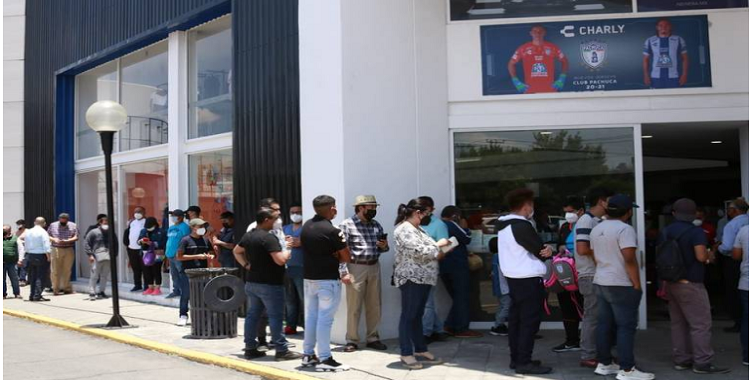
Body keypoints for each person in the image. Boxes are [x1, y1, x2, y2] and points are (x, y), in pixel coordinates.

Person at [659, 198, 729, 374]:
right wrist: (709, 255)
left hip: (672, 282)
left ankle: (682, 360)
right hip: (691, 284)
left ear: (674, 213)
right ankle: (702, 362)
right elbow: (700, 256)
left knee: (678, 323)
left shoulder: (666, 231)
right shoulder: (696, 231)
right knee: (700, 324)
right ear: (694, 214)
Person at [589, 194, 653, 380]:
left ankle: (605, 364)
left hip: (601, 280)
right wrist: (637, 284)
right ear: (627, 211)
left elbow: (594, 255)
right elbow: (629, 259)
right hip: (621, 283)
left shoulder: (597, 228)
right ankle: (627, 369)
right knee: (625, 327)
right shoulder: (625, 230)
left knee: (604, 325)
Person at [496, 188, 553, 374]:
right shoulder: (521, 226)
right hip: (528, 279)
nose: (532, 209)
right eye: (531, 205)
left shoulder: (503, 225)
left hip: (513, 277)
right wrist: (548, 251)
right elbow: (540, 250)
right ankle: (524, 362)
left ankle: (517, 359)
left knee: (516, 321)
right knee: (529, 322)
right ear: (526, 206)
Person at [233, 207, 302, 361]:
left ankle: (250, 348)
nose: (278, 221)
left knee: (252, 316)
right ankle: (281, 350)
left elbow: (237, 251)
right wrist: (288, 248)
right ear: (266, 220)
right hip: (270, 284)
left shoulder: (249, 236)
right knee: (276, 317)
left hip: (252, 282)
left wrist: (246, 265)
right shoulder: (268, 238)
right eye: (275, 218)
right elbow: (281, 260)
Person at [393, 198, 452, 369]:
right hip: (412, 278)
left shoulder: (418, 229)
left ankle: (420, 349)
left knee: (417, 316)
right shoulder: (404, 229)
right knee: (408, 316)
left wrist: (445, 247)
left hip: (425, 278)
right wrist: (440, 244)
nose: (429, 217)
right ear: (418, 213)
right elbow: (420, 252)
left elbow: (431, 251)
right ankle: (406, 353)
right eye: (427, 214)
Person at [299, 195, 351, 372]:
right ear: (331, 209)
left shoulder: (306, 226)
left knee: (312, 317)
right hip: (327, 280)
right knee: (325, 320)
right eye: (334, 207)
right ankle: (325, 358)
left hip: (310, 279)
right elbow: (346, 256)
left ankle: (307, 354)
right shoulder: (332, 230)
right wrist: (335, 254)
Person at [339, 195, 390, 352]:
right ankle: (352, 340)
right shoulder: (347, 225)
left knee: (375, 304)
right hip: (356, 267)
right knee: (354, 306)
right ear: (361, 208)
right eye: (371, 207)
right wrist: (343, 272)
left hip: (374, 266)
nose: (374, 210)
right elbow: (340, 251)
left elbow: (384, 249)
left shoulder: (376, 225)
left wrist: (384, 245)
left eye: (375, 207)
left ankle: (373, 338)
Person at [576, 187, 614, 368]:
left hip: (597, 274)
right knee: (592, 316)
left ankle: (597, 353)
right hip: (590, 275)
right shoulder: (586, 220)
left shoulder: (597, 221)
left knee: (599, 316)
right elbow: (582, 249)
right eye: (610, 200)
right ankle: (588, 355)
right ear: (602, 201)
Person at [439, 206, 482, 338]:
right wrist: (465, 227)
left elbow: (449, 244)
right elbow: (467, 237)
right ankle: (461, 328)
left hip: (443, 266)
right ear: (455, 216)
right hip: (457, 266)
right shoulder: (451, 224)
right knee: (463, 297)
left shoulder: (439, 226)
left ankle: (450, 325)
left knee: (458, 298)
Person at [552, 197, 585, 353]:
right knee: (566, 306)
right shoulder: (565, 226)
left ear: (580, 211)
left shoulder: (588, 224)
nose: (568, 215)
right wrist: (561, 248)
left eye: (570, 212)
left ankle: (591, 340)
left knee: (586, 306)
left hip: (584, 272)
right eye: (565, 212)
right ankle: (571, 340)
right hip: (566, 272)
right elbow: (558, 242)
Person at [714, 197, 748, 333]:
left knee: (734, 291)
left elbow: (727, 246)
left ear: (734, 210)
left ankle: (739, 322)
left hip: (733, 261)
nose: (727, 211)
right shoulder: (748, 221)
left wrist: (718, 248)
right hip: (746, 259)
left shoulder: (731, 225)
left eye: (729, 209)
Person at [418, 196, 449, 343]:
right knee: (425, 301)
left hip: (429, 267)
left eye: (424, 207)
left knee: (426, 302)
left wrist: (435, 255)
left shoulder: (439, 225)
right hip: (414, 268)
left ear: (431, 209)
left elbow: (445, 247)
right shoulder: (414, 223)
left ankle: (425, 333)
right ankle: (438, 329)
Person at [507, 25, 568, 94]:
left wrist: (562, 77)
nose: (538, 34)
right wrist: (515, 80)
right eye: (535, 31)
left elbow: (564, 61)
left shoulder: (552, 47)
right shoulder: (523, 48)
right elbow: (511, 63)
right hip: (530, 91)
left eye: (540, 31)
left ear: (544, 33)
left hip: (550, 91)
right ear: (531, 33)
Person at [175, 218, 214, 326]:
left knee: (202, 295)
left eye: (203, 227)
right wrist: (197, 256)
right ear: (192, 227)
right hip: (188, 272)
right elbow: (179, 257)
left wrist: (210, 255)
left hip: (203, 272)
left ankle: (202, 317)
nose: (202, 229)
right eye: (200, 226)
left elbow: (212, 252)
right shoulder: (185, 240)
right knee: (186, 294)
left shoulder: (205, 240)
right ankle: (183, 315)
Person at [643, 18, 688, 89]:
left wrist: (684, 74)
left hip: (674, 76)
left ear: (670, 27)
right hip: (655, 77)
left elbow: (685, 58)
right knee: (656, 98)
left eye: (666, 25)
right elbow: (646, 59)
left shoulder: (678, 39)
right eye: (660, 25)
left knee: (674, 98)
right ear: (657, 27)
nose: (663, 27)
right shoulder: (650, 41)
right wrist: (646, 75)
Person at [282, 203, 305, 335]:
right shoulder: (285, 228)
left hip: (301, 268)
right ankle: (291, 325)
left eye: (298, 211)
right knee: (289, 299)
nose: (295, 214)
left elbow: (303, 242)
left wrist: (300, 242)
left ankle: (307, 325)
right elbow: (280, 242)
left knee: (304, 298)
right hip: (286, 267)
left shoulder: (306, 227)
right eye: (293, 212)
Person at [47, 212, 78, 295]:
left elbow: (76, 237)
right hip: (56, 248)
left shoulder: (73, 225)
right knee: (55, 270)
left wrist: (68, 240)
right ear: (59, 219)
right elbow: (47, 235)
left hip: (68, 248)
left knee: (67, 270)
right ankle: (55, 289)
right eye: (61, 220)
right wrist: (54, 239)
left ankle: (67, 288)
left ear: (67, 220)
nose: (63, 221)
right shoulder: (53, 225)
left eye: (65, 220)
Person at [84, 215, 113, 300]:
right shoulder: (93, 232)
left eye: (107, 222)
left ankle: (101, 291)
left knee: (104, 275)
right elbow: (86, 243)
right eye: (105, 222)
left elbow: (115, 243)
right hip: (96, 257)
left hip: (108, 257)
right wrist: (90, 255)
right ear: (100, 223)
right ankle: (92, 292)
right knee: (94, 275)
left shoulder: (111, 232)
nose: (106, 224)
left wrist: (114, 255)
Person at [732, 225, 749, 366]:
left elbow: (736, 255)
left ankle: (748, 357)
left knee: (747, 320)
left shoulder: (744, 230)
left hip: (747, 282)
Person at [23, 217, 51, 302]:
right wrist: (49, 257)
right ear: (44, 223)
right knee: (41, 277)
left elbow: (26, 244)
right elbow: (46, 246)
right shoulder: (43, 232)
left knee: (33, 277)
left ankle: (32, 295)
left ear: (35, 222)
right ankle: (37, 296)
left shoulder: (28, 231)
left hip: (30, 255)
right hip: (41, 256)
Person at [488, 235, 511, 337]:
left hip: (500, 287)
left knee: (502, 305)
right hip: (504, 287)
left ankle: (498, 324)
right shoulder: (500, 256)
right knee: (506, 306)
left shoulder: (494, 256)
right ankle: (498, 325)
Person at [165, 209, 190, 299]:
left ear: (180, 217)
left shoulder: (185, 227)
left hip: (179, 255)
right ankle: (176, 291)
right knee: (174, 274)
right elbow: (169, 241)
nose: (173, 217)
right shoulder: (171, 227)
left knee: (182, 274)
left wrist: (180, 252)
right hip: (170, 255)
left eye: (174, 216)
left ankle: (185, 292)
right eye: (172, 216)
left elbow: (186, 241)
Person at [139, 217, 166, 296]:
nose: (148, 228)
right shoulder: (143, 231)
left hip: (158, 253)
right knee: (147, 271)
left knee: (156, 270)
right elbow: (138, 241)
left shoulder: (161, 231)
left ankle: (157, 288)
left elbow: (163, 243)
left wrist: (153, 243)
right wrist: (141, 241)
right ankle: (150, 287)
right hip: (145, 253)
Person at [123, 206, 147, 292]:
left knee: (145, 268)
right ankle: (137, 285)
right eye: (135, 212)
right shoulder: (132, 222)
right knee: (135, 268)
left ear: (144, 213)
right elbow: (128, 232)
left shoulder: (146, 222)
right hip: (131, 248)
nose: (137, 214)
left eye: (139, 212)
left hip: (142, 249)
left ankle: (147, 285)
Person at [3, 225, 24, 299]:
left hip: (12, 263)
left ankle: (17, 293)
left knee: (14, 278)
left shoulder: (15, 238)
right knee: (2, 279)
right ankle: (3, 294)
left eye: (4, 230)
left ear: (9, 231)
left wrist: (20, 260)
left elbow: (21, 249)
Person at [14, 219, 27, 286]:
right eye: (18, 224)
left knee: (23, 265)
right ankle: (18, 279)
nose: (18, 226)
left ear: (23, 224)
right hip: (17, 251)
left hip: (25, 251)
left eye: (20, 224)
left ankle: (23, 279)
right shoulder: (16, 233)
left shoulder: (27, 231)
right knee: (17, 266)